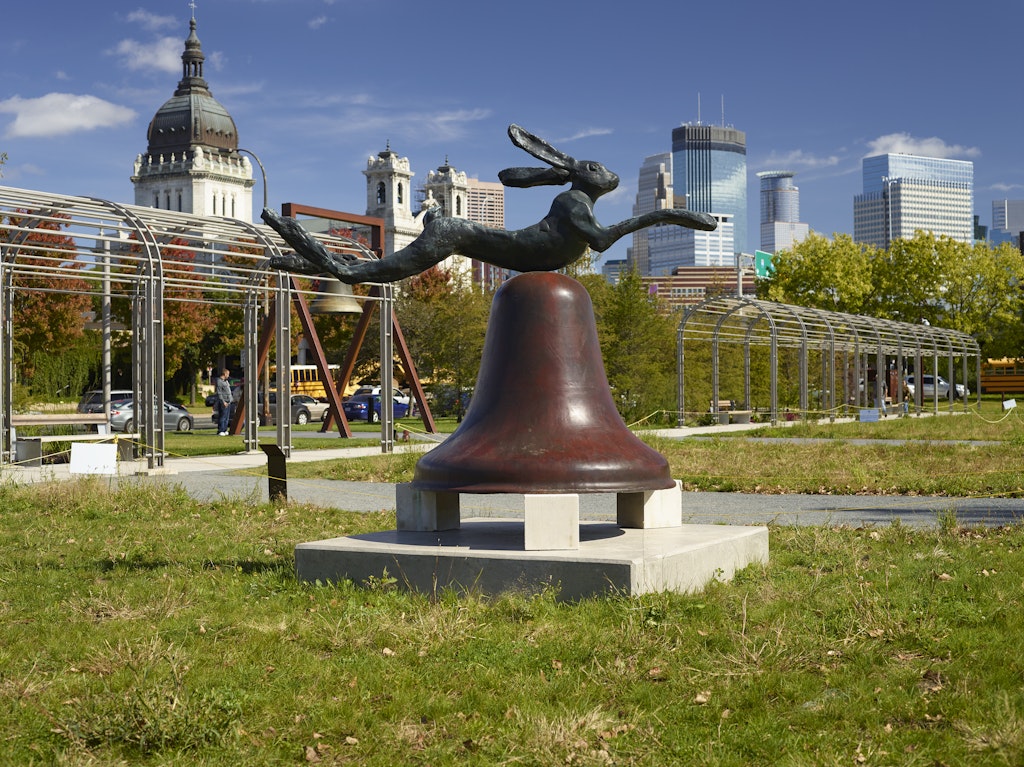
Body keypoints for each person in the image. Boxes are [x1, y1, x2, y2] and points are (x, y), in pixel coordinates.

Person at [215, 368, 233, 436]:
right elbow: (219, 393)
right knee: (222, 416)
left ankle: (225, 429)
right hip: (224, 402)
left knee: (226, 417)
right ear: (224, 374)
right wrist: (223, 402)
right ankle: (221, 430)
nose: (228, 375)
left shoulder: (226, 381)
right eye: (227, 374)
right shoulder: (219, 381)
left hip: (228, 401)